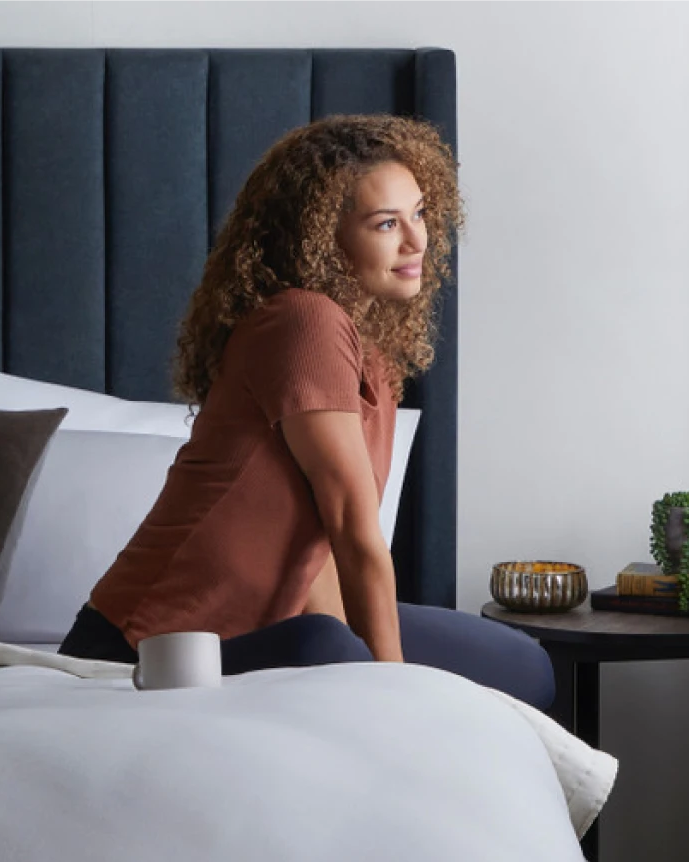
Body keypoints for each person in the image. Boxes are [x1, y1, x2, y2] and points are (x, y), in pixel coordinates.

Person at [57, 115, 552, 709]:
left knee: (520, 665)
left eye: (419, 213)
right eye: (386, 223)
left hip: (279, 626)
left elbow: (315, 548)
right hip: (146, 650)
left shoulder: (372, 347)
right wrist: (392, 693)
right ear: (321, 236)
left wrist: (363, 655)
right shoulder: (303, 322)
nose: (418, 241)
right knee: (330, 651)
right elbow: (352, 530)